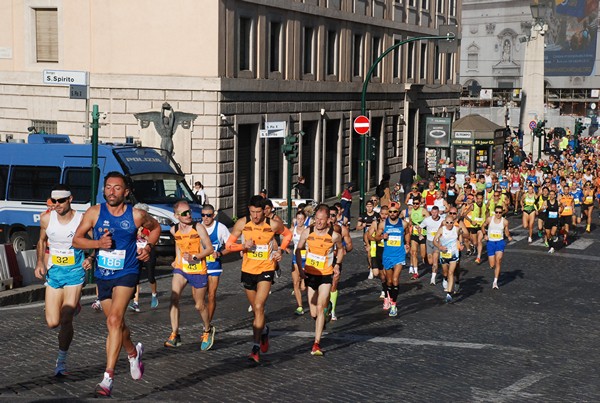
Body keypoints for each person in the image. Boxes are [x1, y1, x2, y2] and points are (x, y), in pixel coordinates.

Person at [72, 171, 160, 397]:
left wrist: (148, 247)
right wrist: (97, 243)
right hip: (104, 274)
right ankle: (132, 352)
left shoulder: (137, 215)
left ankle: (107, 378)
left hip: (128, 271)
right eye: (108, 187)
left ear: (126, 192)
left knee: (113, 320)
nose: (111, 192)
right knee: (116, 326)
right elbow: (77, 240)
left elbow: (156, 228)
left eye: (117, 188)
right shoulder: (94, 212)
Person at [225, 195, 292, 363]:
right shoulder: (242, 223)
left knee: (259, 305)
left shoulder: (273, 224)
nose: (255, 216)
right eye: (252, 212)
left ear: (265, 211)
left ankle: (255, 347)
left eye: (258, 212)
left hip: (266, 269)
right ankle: (264, 331)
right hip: (248, 270)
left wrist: (281, 250)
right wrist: (242, 246)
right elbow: (228, 245)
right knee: (256, 311)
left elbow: (288, 234)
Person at [34, 185, 91, 376]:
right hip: (54, 272)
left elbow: (93, 242)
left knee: (66, 319)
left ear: (70, 199)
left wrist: (90, 258)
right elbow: (41, 241)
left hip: (75, 272)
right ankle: (73, 306)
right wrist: (40, 263)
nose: (56, 205)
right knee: (52, 322)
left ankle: (61, 360)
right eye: (53, 201)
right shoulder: (46, 218)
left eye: (61, 201)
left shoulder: (81, 220)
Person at [163, 201, 215, 350]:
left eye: (190, 212)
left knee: (199, 305)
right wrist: (176, 259)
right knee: (174, 297)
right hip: (182, 269)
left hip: (198, 269)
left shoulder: (198, 227)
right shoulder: (174, 230)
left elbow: (210, 249)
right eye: (184, 213)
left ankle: (207, 329)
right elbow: (178, 245)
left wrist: (196, 257)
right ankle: (175, 334)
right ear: (176, 216)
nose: (188, 215)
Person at [294, 205, 344, 355]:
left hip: (325, 275)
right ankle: (325, 312)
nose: (319, 222)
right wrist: (300, 269)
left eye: (322, 220)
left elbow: (341, 250)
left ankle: (316, 344)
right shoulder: (307, 232)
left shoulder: (334, 235)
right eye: (317, 219)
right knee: (313, 313)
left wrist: (337, 265)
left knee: (320, 308)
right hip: (310, 274)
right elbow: (298, 249)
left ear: (328, 220)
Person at [375, 201, 410, 316]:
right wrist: (381, 236)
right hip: (387, 255)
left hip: (399, 255)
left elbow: (407, 233)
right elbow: (375, 237)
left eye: (395, 212)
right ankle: (390, 298)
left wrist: (407, 243)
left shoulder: (403, 223)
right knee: (389, 281)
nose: (392, 213)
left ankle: (394, 305)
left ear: (398, 212)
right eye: (390, 212)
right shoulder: (383, 224)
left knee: (395, 280)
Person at [200, 203, 231, 330]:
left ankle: (208, 323)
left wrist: (220, 253)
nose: (205, 218)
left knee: (211, 295)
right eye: (203, 215)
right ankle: (206, 319)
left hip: (214, 266)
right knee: (200, 298)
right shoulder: (198, 227)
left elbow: (230, 246)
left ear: (214, 215)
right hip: (200, 266)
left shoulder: (221, 228)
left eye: (208, 215)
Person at [128, 203, 159, 312]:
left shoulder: (150, 224)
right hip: (137, 251)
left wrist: (144, 236)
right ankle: (135, 303)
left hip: (149, 251)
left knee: (150, 276)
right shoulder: (133, 225)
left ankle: (154, 295)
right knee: (136, 277)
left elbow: (154, 239)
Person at [433, 215, 463, 303]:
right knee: (445, 272)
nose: (449, 224)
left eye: (451, 223)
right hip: (444, 254)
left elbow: (461, 234)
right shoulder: (442, 229)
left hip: (454, 254)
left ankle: (449, 293)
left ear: (453, 223)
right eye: (447, 223)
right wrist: (440, 247)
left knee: (451, 272)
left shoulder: (456, 229)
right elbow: (435, 240)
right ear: (444, 222)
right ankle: (445, 278)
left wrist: (461, 243)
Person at [481, 207, 513, 289]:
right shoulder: (489, 219)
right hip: (490, 243)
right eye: (496, 212)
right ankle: (495, 270)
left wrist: (508, 236)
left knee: (498, 260)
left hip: (500, 242)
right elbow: (482, 226)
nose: (498, 214)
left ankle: (495, 281)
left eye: (500, 212)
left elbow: (506, 230)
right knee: (492, 265)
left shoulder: (505, 221)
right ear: (494, 212)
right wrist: (485, 234)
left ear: (502, 213)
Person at [357, 199, 380, 279]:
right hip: (366, 237)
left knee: (376, 253)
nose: (369, 208)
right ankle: (370, 268)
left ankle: (376, 267)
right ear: (366, 207)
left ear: (373, 207)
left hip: (375, 237)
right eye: (368, 207)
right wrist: (362, 226)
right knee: (369, 253)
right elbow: (357, 227)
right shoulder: (363, 215)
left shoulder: (377, 215)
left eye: (371, 206)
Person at [420, 206, 443, 286]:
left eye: (435, 212)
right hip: (429, 242)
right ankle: (437, 265)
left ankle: (433, 279)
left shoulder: (442, 220)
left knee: (435, 261)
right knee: (430, 261)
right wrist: (420, 235)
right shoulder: (427, 220)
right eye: (432, 212)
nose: (434, 214)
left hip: (437, 243)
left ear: (438, 212)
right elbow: (419, 227)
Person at [291, 209, 308, 315]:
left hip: (306, 258)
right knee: (295, 283)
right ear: (296, 219)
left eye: (302, 219)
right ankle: (300, 306)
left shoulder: (308, 230)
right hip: (295, 257)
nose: (300, 221)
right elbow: (286, 239)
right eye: (298, 219)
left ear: (305, 220)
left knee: (303, 286)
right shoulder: (293, 229)